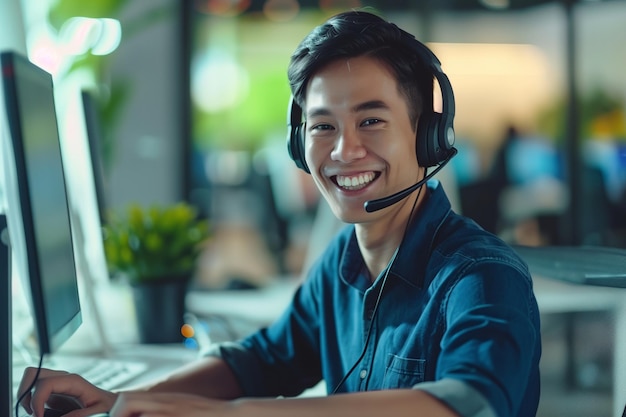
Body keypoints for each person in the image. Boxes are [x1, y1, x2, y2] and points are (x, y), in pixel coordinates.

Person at [18, 9, 541, 417]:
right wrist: (119, 399)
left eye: (372, 121)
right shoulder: (345, 261)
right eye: (322, 126)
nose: (343, 151)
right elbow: (262, 361)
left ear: (427, 135)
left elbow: (471, 405)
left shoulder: (481, 277)